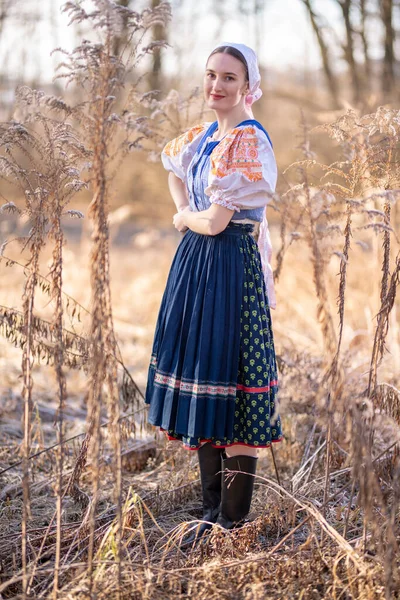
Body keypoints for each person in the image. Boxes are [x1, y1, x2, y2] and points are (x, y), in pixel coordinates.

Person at [145, 42, 283, 542]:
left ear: (249, 85)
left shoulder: (249, 142)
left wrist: (183, 217)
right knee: (203, 377)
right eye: (210, 75)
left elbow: (217, 219)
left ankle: (233, 520)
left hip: (230, 266)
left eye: (228, 77)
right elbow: (174, 173)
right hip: (195, 265)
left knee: (233, 380)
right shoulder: (203, 138)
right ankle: (208, 513)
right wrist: (183, 207)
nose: (216, 86)